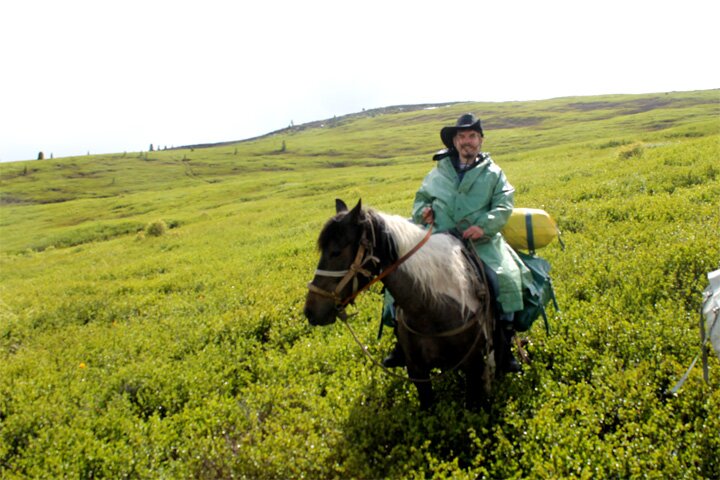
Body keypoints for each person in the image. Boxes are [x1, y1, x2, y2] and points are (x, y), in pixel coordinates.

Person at [383, 113, 532, 373]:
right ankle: (401, 343)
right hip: (439, 240)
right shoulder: (438, 173)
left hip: (480, 243)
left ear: (481, 140)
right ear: (454, 141)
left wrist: (483, 226)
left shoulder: (494, 174)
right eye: (462, 136)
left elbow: (504, 204)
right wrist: (424, 211)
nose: (467, 141)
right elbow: (421, 200)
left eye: (473, 136)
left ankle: (503, 347)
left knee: (503, 279)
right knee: (400, 279)